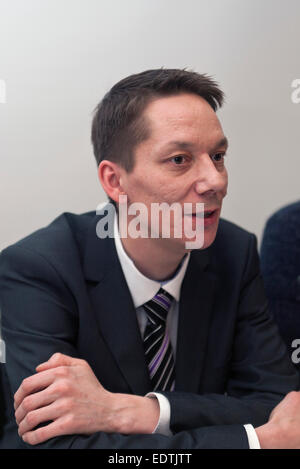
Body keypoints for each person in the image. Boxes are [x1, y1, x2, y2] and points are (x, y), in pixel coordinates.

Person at [0, 69, 299, 450]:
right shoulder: (39, 268)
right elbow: (51, 442)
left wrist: (140, 412)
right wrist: (254, 442)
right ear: (115, 181)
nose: (216, 181)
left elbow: (278, 404)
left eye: (219, 156)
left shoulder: (234, 253)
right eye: (179, 159)